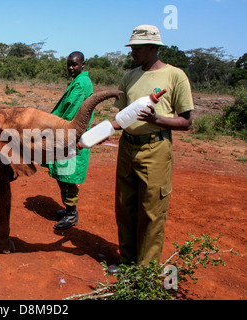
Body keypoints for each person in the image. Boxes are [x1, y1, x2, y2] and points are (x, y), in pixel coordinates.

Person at [109, 25, 194, 273]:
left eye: (138, 47)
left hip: (155, 148)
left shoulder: (175, 76)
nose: (133, 51)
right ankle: (126, 261)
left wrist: (156, 120)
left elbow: (187, 121)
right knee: (125, 206)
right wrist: (100, 131)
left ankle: (144, 271)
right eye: (132, 47)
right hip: (127, 147)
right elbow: (121, 117)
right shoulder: (129, 76)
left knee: (151, 210)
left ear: (154, 47)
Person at [44, 51, 94, 230]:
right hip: (66, 133)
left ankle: (71, 214)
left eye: (74, 64)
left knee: (68, 174)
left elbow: (71, 110)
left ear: (83, 65)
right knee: (63, 173)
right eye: (69, 64)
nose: (71, 68)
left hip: (71, 134)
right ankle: (68, 209)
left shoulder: (82, 84)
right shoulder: (78, 81)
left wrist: (52, 125)